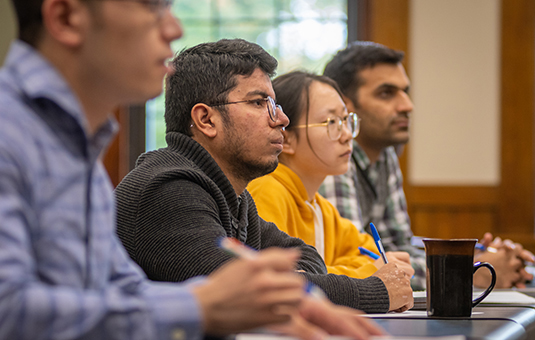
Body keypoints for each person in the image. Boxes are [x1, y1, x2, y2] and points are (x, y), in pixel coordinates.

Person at [0, 0, 384, 337]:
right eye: (151, 5)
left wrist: (268, 294)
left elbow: (121, 291)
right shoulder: (13, 135)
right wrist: (202, 305)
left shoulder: (72, 147)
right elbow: (8, 310)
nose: (174, 28)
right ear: (66, 17)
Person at [115, 38, 414, 314]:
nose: (281, 119)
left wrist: (290, 279)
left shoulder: (234, 196)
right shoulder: (167, 189)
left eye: (275, 104)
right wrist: (375, 291)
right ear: (206, 119)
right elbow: (242, 291)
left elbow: (305, 256)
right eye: (259, 103)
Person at [318, 41, 535, 290]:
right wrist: (466, 272)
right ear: (343, 104)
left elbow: (398, 245)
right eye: (387, 93)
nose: (407, 106)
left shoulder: (384, 153)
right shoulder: (331, 152)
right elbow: (357, 257)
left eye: (405, 91)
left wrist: (476, 256)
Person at [247, 71, 415, 283]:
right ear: (285, 138)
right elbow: (283, 279)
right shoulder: (267, 192)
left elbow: (370, 253)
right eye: (331, 122)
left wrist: (375, 265)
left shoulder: (323, 209)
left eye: (346, 120)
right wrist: (368, 271)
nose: (346, 135)